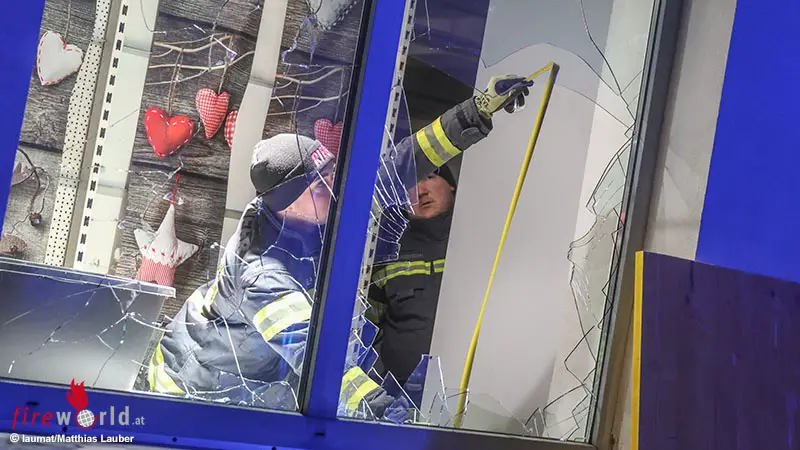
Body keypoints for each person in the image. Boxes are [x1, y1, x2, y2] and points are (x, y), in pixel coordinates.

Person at [147, 74, 533, 420]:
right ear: (290, 203)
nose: (334, 187)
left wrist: (478, 109)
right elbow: (318, 359)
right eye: (321, 184)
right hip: (191, 392)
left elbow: (402, 165)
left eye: (332, 172)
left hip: (254, 379)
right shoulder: (263, 275)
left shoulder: (316, 208)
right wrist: (386, 417)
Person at [367, 164, 459, 387]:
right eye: (409, 186)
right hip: (402, 392)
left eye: (428, 177)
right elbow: (368, 328)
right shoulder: (386, 253)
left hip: (471, 383)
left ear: (452, 185)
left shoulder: (481, 238)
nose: (421, 192)